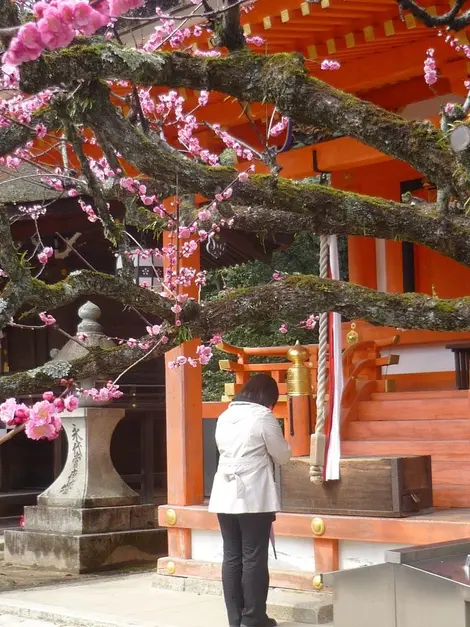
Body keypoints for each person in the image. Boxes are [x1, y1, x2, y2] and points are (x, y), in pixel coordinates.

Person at [209, 374, 292, 627]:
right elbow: (282, 456)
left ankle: (235, 619)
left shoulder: (224, 416)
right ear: (267, 397)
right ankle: (254, 618)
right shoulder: (263, 417)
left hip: (224, 492)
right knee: (254, 555)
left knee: (232, 555)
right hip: (253, 494)